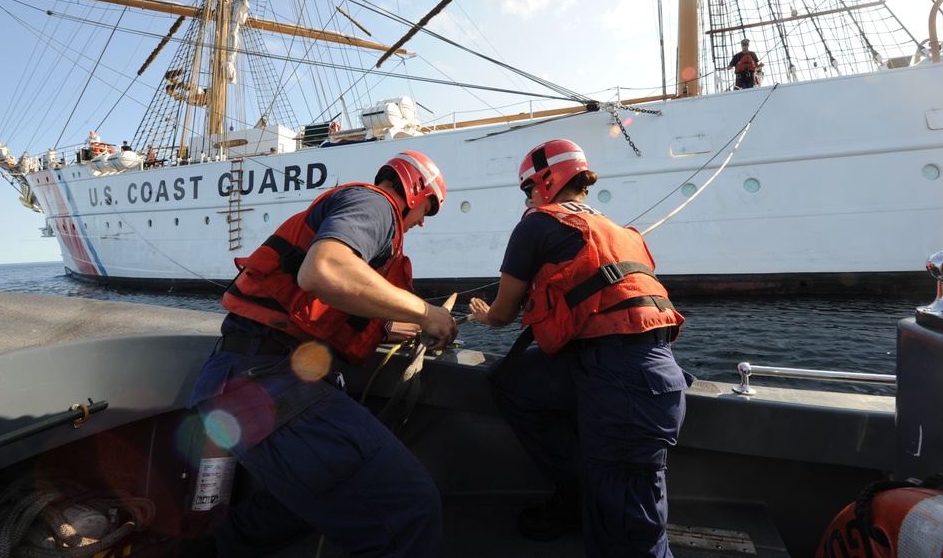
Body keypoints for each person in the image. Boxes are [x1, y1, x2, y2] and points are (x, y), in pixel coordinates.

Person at [188, 150, 458, 557]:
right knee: (410, 508)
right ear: (415, 190)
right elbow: (323, 271)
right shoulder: (377, 205)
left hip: (239, 381)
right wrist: (425, 312)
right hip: (270, 380)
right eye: (428, 211)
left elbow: (319, 302)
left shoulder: (362, 213)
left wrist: (384, 326)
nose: (421, 222)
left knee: (300, 507)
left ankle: (205, 550)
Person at [469, 139, 693, 558]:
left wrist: (482, 316)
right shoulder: (617, 230)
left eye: (528, 189)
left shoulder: (535, 223)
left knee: (630, 537)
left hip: (630, 382)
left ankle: (597, 496)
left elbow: (502, 313)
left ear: (546, 181)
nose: (528, 197)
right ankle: (573, 489)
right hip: (609, 363)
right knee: (510, 381)